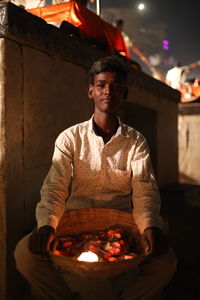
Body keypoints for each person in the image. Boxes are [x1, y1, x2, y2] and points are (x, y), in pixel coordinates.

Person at [14, 55, 177, 300]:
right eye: (101, 85)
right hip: (75, 221)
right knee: (24, 256)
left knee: (166, 264)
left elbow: (145, 191)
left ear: (125, 93)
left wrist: (149, 226)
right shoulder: (70, 138)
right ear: (91, 91)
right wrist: (47, 225)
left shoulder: (136, 142)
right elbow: (55, 187)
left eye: (115, 86)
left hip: (122, 224)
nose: (108, 91)